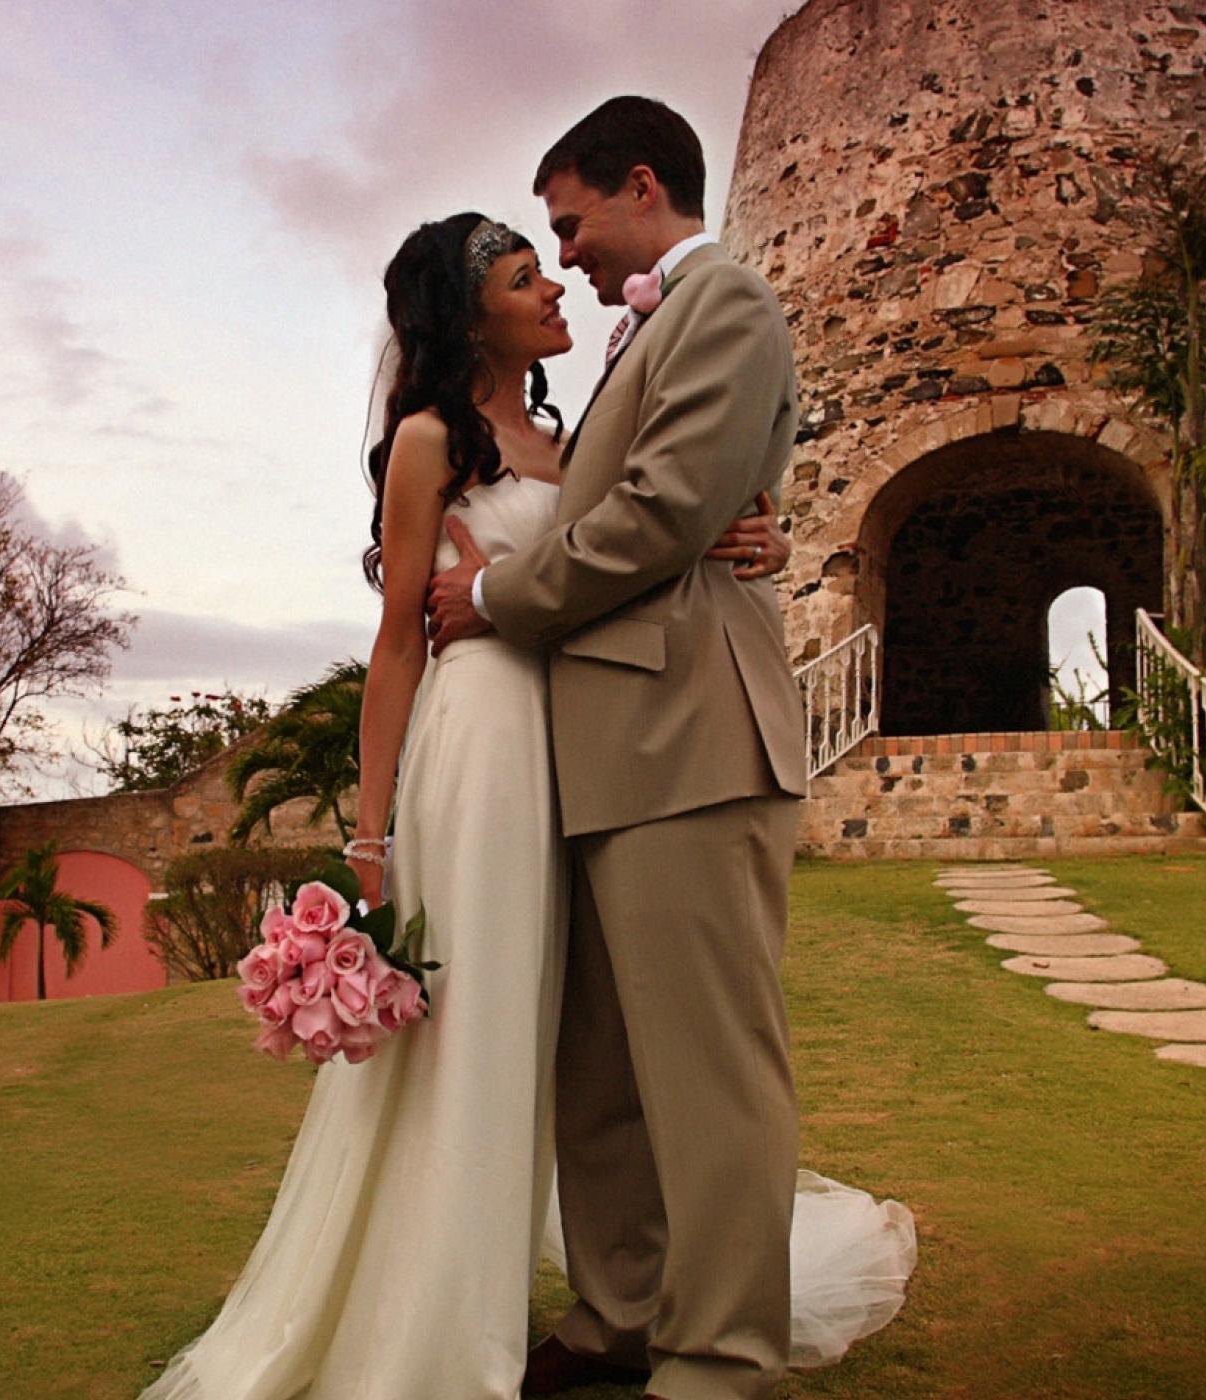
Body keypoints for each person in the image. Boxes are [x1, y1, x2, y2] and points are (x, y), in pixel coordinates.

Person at [421, 96, 834, 1400]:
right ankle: (618, 1324)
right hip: (600, 760)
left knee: (708, 1081)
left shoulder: (728, 307)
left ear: (640, 182)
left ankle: (717, 1360)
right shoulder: (648, 331)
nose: (569, 255)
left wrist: (487, 598)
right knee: (601, 1082)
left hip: (692, 743)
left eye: (570, 223)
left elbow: (659, 514)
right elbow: (663, 502)